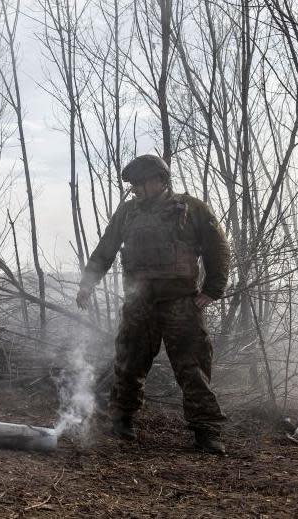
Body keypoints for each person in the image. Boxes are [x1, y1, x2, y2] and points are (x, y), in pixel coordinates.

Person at [76, 154, 231, 454]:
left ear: (160, 180)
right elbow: (105, 249)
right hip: (140, 303)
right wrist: (87, 283)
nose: (136, 190)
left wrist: (212, 290)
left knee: (193, 367)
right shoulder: (128, 213)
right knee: (128, 362)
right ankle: (122, 419)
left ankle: (206, 432)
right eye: (133, 185)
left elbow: (218, 247)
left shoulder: (190, 208)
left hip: (181, 304)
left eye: (141, 183)